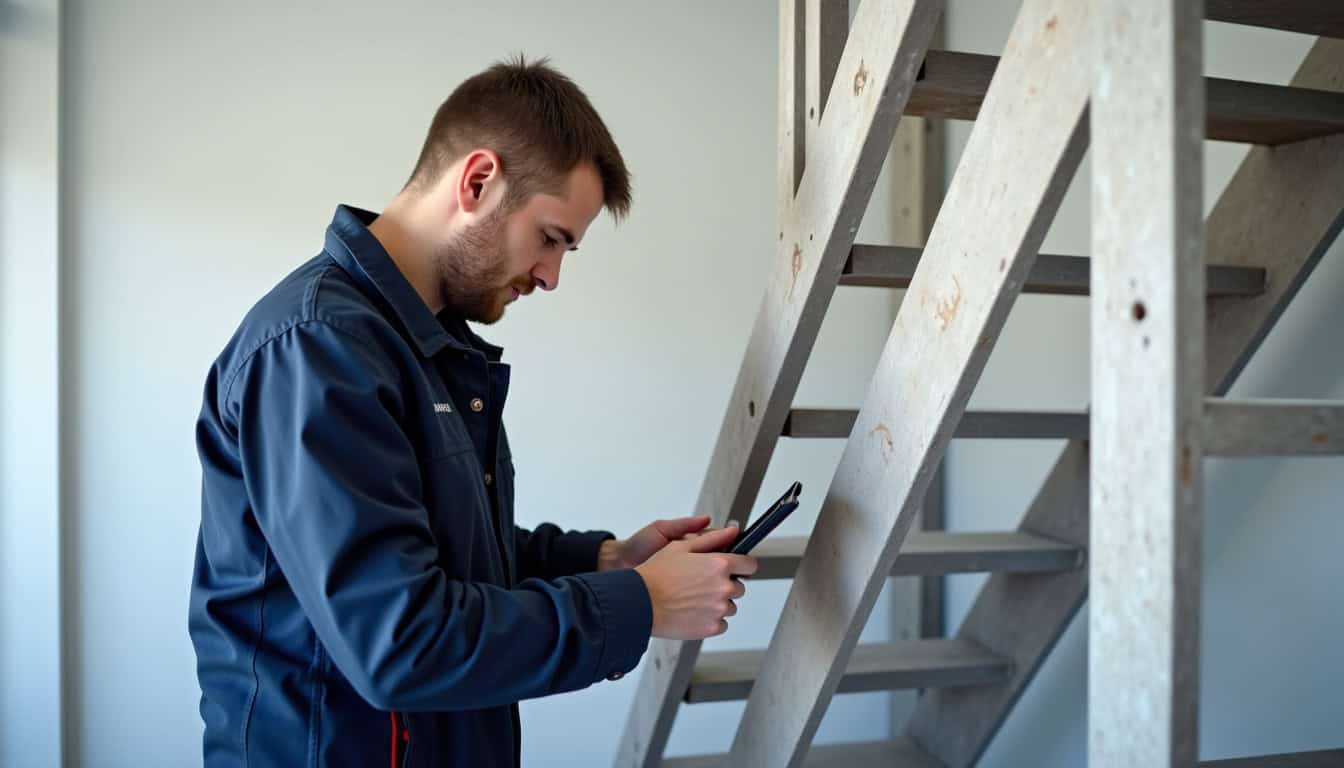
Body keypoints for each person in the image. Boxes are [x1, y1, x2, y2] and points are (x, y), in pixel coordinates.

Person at [188, 56, 758, 768]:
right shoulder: (317, 349)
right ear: (478, 181)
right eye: (552, 238)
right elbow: (401, 642)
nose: (551, 276)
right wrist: (638, 603)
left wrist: (606, 560)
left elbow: (441, 553)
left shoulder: (428, 348)